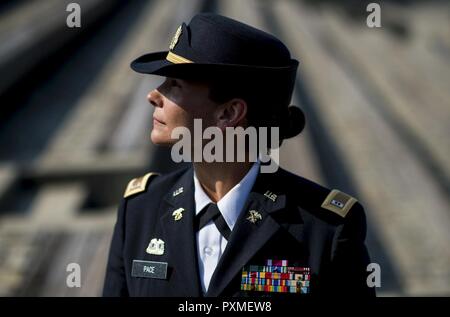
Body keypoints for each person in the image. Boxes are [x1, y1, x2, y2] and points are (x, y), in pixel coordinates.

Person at [103, 13, 375, 297]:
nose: (153, 95)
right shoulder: (139, 210)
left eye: (174, 85)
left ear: (229, 113)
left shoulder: (325, 228)